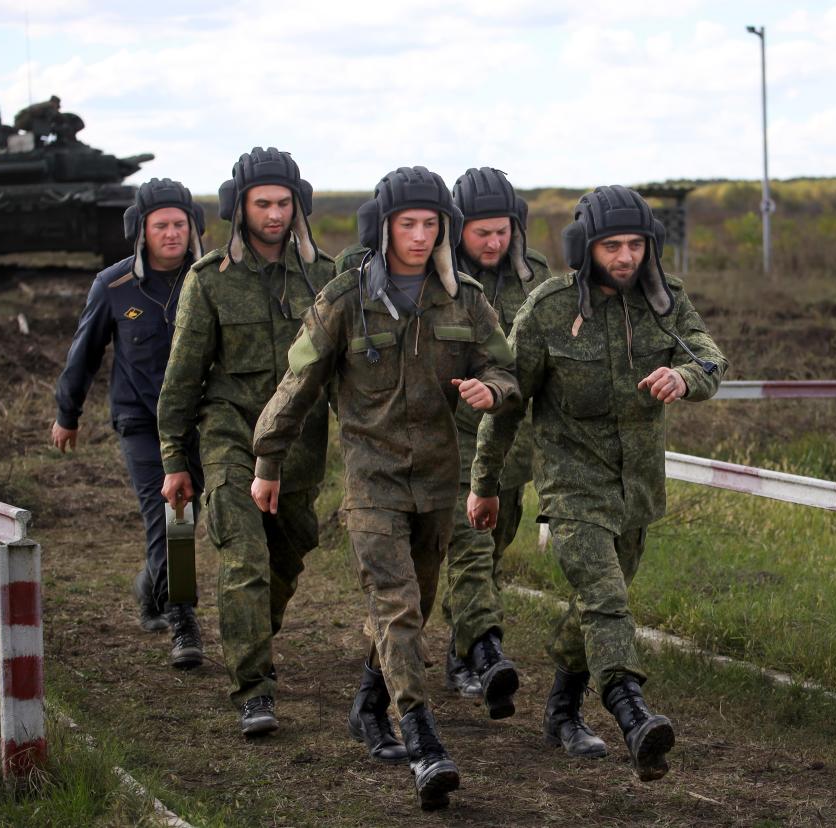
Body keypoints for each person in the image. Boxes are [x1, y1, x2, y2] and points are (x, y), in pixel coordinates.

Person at [250, 166, 519, 810]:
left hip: (437, 484)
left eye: (431, 224)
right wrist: (267, 460)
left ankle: (369, 701)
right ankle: (424, 744)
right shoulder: (344, 299)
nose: (421, 237)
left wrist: (494, 390)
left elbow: (504, 367)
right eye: (409, 225)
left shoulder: (466, 300)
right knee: (397, 609)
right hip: (371, 483)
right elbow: (298, 386)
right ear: (385, 227)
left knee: (415, 607)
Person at [468, 185, 728, 781]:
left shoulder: (665, 303)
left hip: (636, 489)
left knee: (596, 603)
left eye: (636, 244)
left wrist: (688, 376)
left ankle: (561, 709)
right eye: (612, 244)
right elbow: (507, 402)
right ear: (586, 246)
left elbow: (713, 358)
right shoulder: (549, 309)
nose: (626, 256)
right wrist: (484, 484)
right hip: (572, 485)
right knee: (606, 597)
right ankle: (630, 713)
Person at [157, 148, 336, 737]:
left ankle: (251, 633)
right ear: (239, 208)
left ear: (298, 204)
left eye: (284, 203)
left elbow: (343, 371)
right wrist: (175, 460)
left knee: (289, 552)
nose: (275, 214)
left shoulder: (325, 277)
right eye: (263, 203)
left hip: (299, 444)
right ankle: (254, 689)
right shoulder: (209, 280)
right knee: (244, 557)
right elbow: (182, 376)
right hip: (229, 432)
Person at [51, 177, 207, 669]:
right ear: (141, 230)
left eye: (180, 224)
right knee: (172, 513)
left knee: (187, 517)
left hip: (201, 419)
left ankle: (150, 585)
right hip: (140, 422)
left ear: (193, 227)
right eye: (161, 225)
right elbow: (85, 352)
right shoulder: (114, 285)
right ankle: (182, 619)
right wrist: (67, 413)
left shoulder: (210, 278)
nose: (171, 233)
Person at [441, 167, 551, 716]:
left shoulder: (539, 281)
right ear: (457, 229)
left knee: (493, 548)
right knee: (472, 549)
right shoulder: (439, 282)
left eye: (502, 231)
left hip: (512, 448)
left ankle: (461, 641)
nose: (493, 242)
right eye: (481, 232)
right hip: (453, 439)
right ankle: (477, 655)